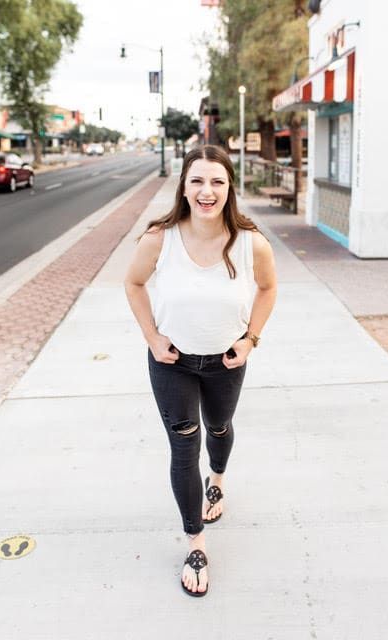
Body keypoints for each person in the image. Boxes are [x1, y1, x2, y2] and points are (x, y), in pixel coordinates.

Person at [124, 144, 277, 597]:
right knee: (183, 443)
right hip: (172, 363)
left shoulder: (251, 243)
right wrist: (152, 337)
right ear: (184, 186)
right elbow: (133, 284)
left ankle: (219, 480)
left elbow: (268, 290)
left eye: (216, 181)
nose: (206, 191)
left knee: (219, 426)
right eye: (197, 181)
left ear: (229, 188)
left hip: (225, 362)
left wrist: (250, 339)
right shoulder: (160, 237)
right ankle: (195, 541)